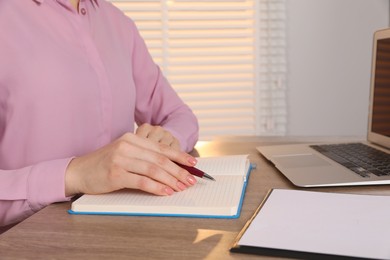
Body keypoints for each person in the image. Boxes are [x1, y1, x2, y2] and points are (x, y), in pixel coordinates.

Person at [0, 0, 199, 231]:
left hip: (119, 233)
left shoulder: (118, 23)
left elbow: (179, 116)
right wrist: (73, 175)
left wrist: (167, 140)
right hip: (25, 241)